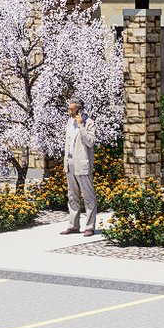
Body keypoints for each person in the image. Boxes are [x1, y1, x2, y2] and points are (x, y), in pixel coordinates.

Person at [59, 98, 98, 236]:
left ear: (79, 109)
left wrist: (81, 126)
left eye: (72, 109)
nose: (69, 111)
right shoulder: (69, 122)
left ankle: (89, 226)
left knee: (88, 196)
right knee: (72, 196)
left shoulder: (89, 123)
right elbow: (67, 144)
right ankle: (73, 225)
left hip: (82, 163)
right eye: (69, 109)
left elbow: (90, 142)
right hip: (70, 163)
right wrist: (65, 163)